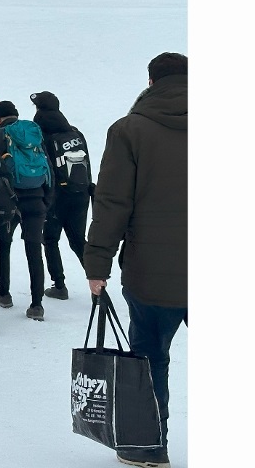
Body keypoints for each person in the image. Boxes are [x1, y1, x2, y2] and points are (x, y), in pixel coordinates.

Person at [84, 53, 187, 468]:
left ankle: (148, 448)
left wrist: (97, 264)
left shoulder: (129, 129)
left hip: (151, 273)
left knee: (150, 359)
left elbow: (112, 203)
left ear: (150, 82)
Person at [0, 100, 52, 321]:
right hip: (36, 200)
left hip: (7, 204)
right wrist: (46, 201)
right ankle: (37, 304)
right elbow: (48, 168)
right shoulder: (33, 134)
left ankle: (3, 293)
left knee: (3, 245)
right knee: (34, 249)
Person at [30, 90, 93, 301]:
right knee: (78, 241)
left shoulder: (42, 135)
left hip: (56, 197)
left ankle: (59, 285)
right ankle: (97, 282)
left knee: (50, 239)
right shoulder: (75, 133)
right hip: (80, 193)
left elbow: (43, 168)